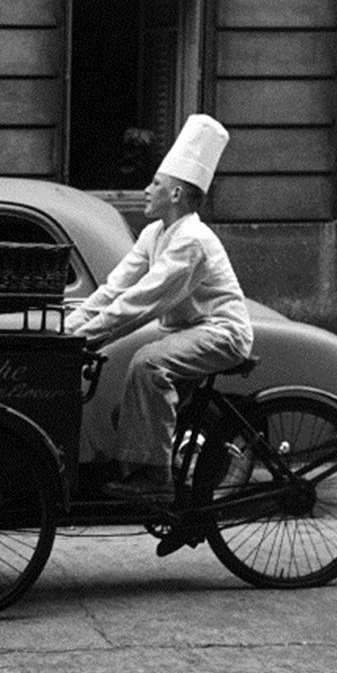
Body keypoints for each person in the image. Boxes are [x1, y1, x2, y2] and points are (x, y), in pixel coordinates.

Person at [66, 114, 254, 500]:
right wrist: (69, 328)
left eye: (155, 183)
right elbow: (114, 289)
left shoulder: (192, 241)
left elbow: (142, 302)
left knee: (148, 363)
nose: (146, 190)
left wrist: (83, 337)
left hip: (221, 332)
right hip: (189, 331)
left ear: (176, 195)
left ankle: (156, 481)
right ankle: (170, 483)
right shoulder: (155, 233)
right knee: (129, 412)